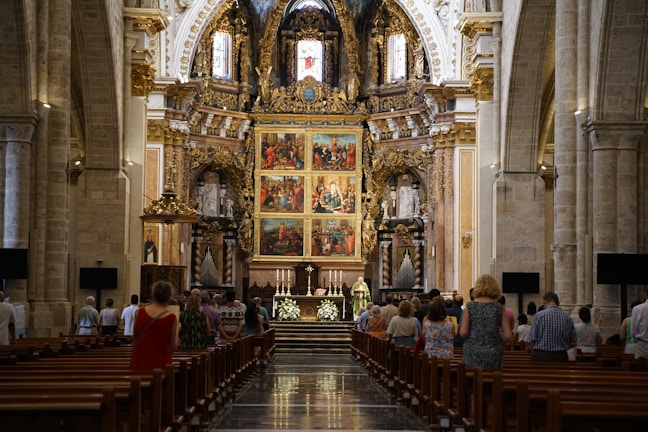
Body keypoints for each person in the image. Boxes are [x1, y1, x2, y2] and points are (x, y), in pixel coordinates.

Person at [459, 274, 511, 369]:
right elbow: (507, 335)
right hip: (493, 352)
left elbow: (463, 332)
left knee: (472, 381)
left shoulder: (470, 306)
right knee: (492, 381)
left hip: (472, 351)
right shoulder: (499, 307)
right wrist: (495, 337)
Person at [129, 280, 178, 370]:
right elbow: (173, 347)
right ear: (169, 297)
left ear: (153, 294)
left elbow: (135, 337)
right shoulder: (171, 318)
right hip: (161, 362)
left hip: (141, 359)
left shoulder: (139, 312)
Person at [528, 291, 576, 362]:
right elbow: (573, 342)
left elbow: (531, 339)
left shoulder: (538, 316)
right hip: (561, 356)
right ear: (558, 303)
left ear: (544, 302)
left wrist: (533, 352)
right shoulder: (568, 318)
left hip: (541, 356)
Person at [630, 287, 648, 359]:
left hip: (642, 345)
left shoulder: (637, 309)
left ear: (645, 294)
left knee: (640, 368)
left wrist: (636, 340)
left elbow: (633, 331)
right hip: (642, 344)